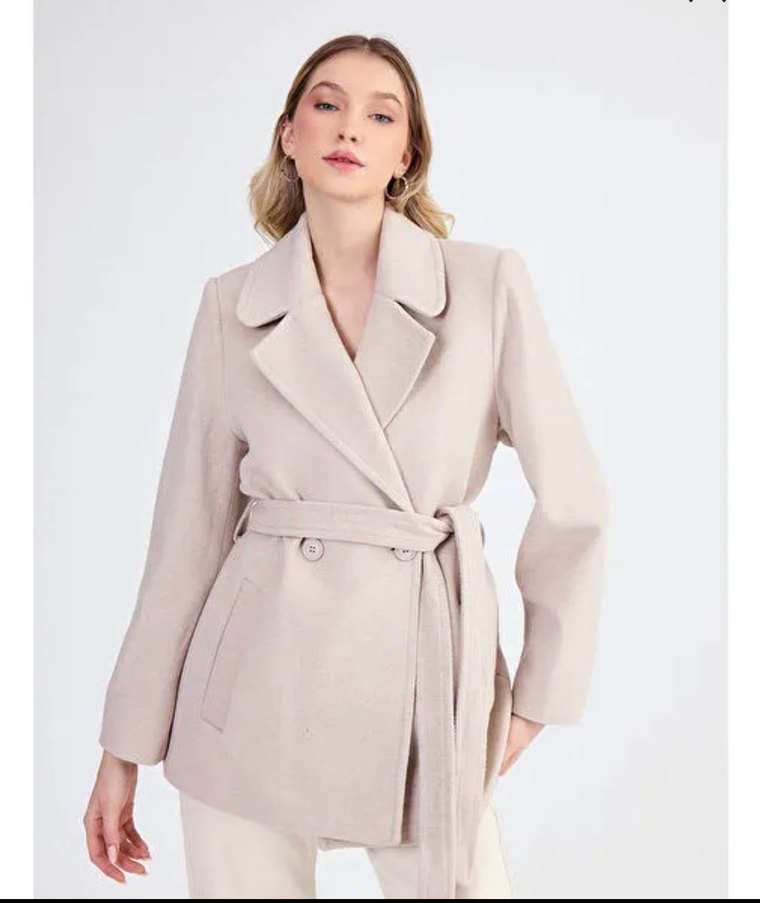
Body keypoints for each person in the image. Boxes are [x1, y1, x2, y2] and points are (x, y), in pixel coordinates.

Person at [83, 33, 609, 899]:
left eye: (381, 114)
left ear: (407, 156)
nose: (349, 128)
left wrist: (538, 694)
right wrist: (123, 745)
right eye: (326, 104)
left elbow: (576, 501)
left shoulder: (485, 287)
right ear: (288, 135)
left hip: (425, 683)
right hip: (247, 691)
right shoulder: (232, 305)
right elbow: (186, 534)